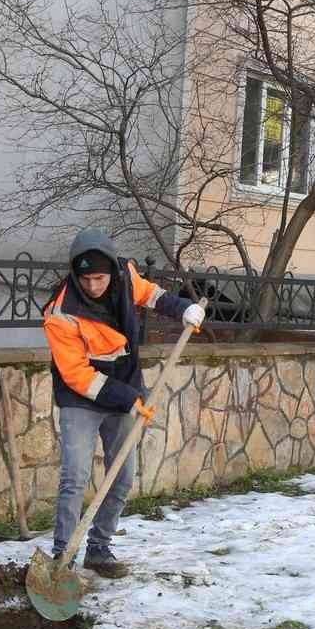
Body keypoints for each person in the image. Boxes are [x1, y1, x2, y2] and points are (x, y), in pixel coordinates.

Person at [44, 230, 204, 578]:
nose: (93, 286)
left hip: (125, 391)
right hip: (80, 400)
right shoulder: (61, 312)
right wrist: (130, 398)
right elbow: (77, 376)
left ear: (112, 272)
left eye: (99, 278)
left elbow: (152, 294)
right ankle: (62, 556)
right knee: (75, 477)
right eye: (85, 279)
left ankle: (99, 550)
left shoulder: (127, 276)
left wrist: (183, 308)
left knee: (123, 477)